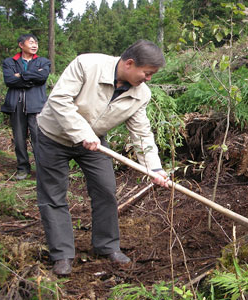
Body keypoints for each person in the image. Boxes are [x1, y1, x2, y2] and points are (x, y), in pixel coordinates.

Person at [36, 40, 170, 276]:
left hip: (94, 144)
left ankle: (106, 246)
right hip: (53, 137)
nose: (149, 79)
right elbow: (59, 100)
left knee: (106, 190)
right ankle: (62, 255)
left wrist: (154, 168)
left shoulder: (141, 94)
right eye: (147, 73)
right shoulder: (87, 65)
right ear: (130, 64)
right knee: (53, 195)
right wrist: (82, 133)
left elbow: (141, 132)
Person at [2, 34, 51, 180]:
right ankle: (23, 168)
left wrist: (20, 76)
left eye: (36, 42)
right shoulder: (10, 62)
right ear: (21, 45)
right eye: (31, 42)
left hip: (36, 105)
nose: (35, 45)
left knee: (38, 137)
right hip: (16, 105)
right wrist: (31, 77)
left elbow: (42, 78)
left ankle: (42, 169)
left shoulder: (43, 61)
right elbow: (9, 80)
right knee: (19, 138)